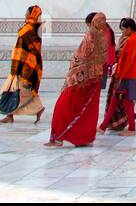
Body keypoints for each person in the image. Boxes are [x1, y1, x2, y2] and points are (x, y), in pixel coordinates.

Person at [46, 12, 109, 147]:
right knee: (88, 109)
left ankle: (58, 137)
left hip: (80, 78)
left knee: (64, 105)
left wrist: (73, 66)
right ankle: (83, 138)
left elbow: (81, 56)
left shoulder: (90, 35)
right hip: (96, 77)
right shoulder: (104, 37)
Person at [0, 4, 45, 124]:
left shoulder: (30, 29)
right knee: (20, 91)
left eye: (27, 13)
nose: (25, 15)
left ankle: (10, 115)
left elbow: (26, 45)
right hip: (24, 64)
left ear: (32, 15)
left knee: (13, 90)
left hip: (24, 65)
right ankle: (36, 109)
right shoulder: (35, 28)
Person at [101, 18, 136, 135]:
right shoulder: (135, 38)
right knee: (117, 100)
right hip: (128, 75)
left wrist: (120, 77)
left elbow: (128, 61)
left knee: (123, 101)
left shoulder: (132, 40)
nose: (123, 33)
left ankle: (131, 128)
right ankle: (103, 126)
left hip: (126, 76)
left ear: (129, 28)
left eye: (123, 30)